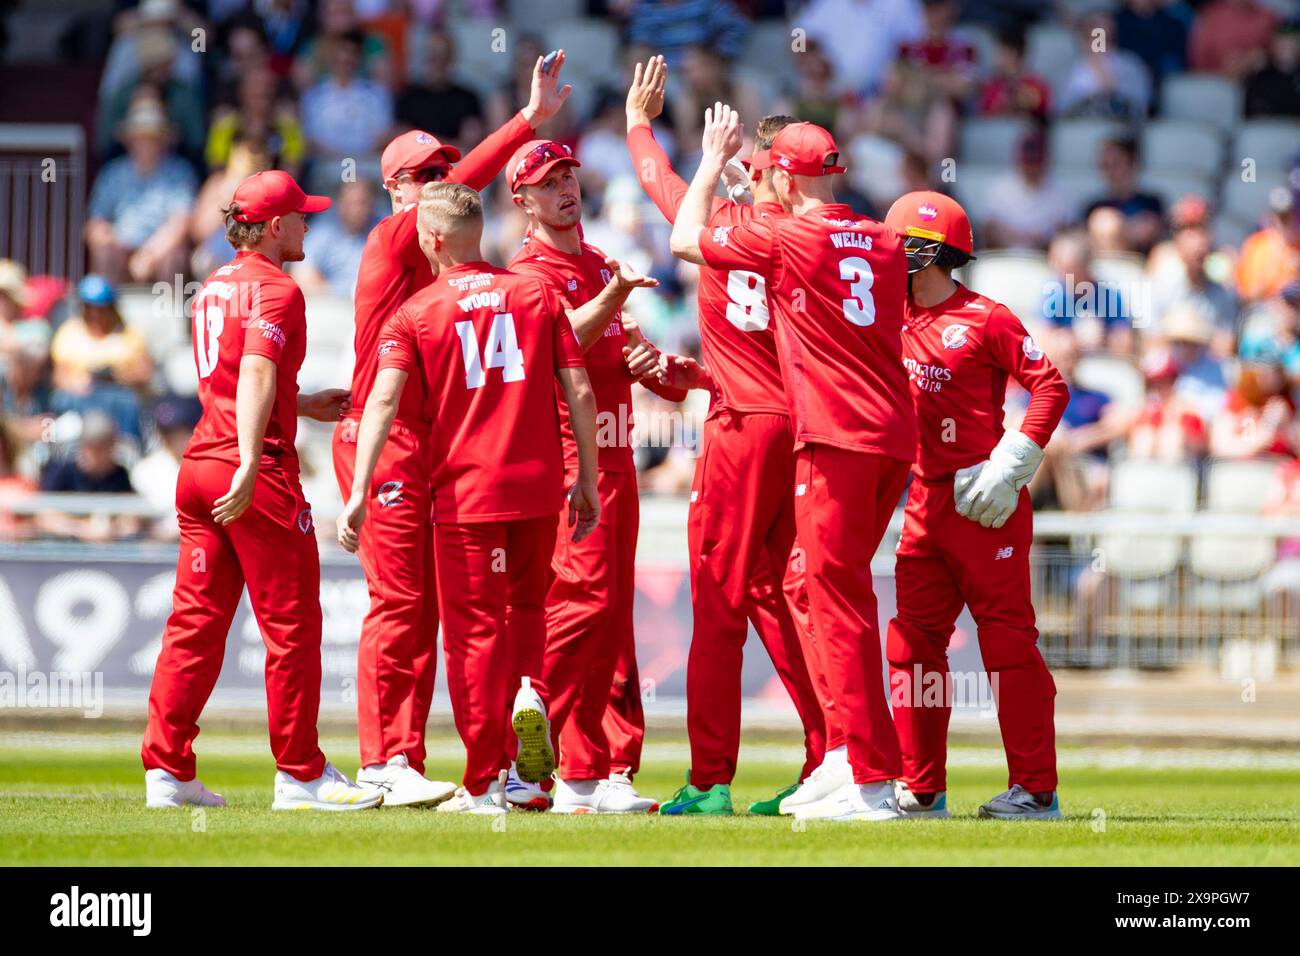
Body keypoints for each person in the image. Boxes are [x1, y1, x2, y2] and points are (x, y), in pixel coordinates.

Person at [333, 51, 573, 808]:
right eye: (424, 173)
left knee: (445, 613)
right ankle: (387, 759)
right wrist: (528, 121)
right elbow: (464, 192)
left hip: (424, 444)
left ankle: (478, 761)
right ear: (394, 189)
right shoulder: (390, 238)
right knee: (405, 605)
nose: (440, 179)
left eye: (443, 167)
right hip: (387, 444)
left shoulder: (436, 270)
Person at [671, 113, 918, 822]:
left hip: (836, 436)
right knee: (825, 591)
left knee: (832, 599)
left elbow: (684, 238)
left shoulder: (785, 234)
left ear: (779, 174)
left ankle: (869, 777)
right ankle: (851, 759)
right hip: (892, 437)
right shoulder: (882, 238)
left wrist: (713, 163)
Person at [624, 57, 826, 816]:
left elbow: (656, 181)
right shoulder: (816, 239)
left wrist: (641, 123)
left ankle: (709, 779)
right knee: (787, 601)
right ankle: (828, 760)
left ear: (768, 172)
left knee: (718, 602)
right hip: (803, 429)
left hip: (742, 431)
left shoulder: (714, 226)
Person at [140, 170, 376, 812]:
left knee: (194, 624)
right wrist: (251, 459)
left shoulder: (215, 285)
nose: (309, 224)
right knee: (292, 626)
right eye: (301, 216)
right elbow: (254, 370)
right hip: (254, 471)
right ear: (274, 227)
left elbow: (232, 380)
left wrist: (298, 405)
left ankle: (167, 769)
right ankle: (301, 773)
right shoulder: (279, 288)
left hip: (199, 465)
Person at [509, 135, 688, 814]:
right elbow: (563, 343)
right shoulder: (528, 274)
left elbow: (635, 351)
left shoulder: (600, 263)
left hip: (616, 461)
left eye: (570, 176)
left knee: (612, 617)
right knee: (579, 604)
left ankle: (597, 771)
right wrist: (614, 296)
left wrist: (671, 373)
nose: (566, 189)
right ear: (521, 199)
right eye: (549, 181)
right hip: (567, 464)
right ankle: (523, 752)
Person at [883, 190, 1068, 820]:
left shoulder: (987, 317)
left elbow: (1050, 386)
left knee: (1008, 644)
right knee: (911, 646)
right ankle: (922, 787)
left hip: (983, 499)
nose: (888, 251)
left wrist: (1012, 466)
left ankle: (1037, 791)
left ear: (926, 251)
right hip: (924, 501)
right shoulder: (886, 316)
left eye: (899, 241)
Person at [85, 100, 196, 285]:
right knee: (104, 251)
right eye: (140, 137)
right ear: (129, 140)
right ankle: (104, 310)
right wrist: (107, 239)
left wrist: (150, 254)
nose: (145, 143)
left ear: (163, 140)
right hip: (120, 246)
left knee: (174, 257)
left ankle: (169, 312)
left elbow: (181, 221)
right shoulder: (113, 173)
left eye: (151, 137)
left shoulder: (179, 172)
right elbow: (96, 222)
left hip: (161, 249)